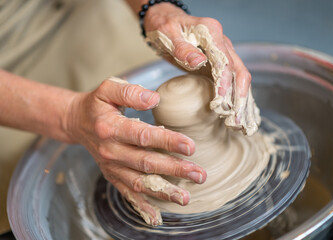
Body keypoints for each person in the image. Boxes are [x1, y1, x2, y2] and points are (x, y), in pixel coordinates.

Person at [0, 0, 252, 231]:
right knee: (55, 208)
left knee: (188, 72)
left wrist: (155, 9)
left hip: (84, 13)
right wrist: (70, 116)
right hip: (12, 74)